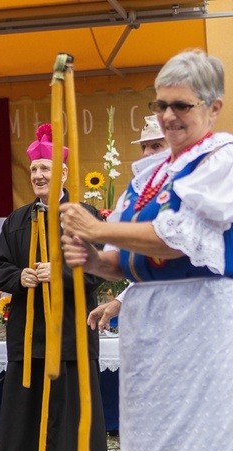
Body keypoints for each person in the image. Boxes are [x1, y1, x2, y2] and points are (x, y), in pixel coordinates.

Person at [58, 49, 233, 451]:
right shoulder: (149, 176)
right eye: (160, 105)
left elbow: (179, 238)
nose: (168, 116)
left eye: (180, 105)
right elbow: (125, 259)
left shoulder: (224, 159)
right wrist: (91, 258)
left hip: (205, 321)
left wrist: (98, 227)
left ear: (213, 107)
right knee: (156, 448)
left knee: (213, 443)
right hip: (152, 331)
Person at [0, 124, 110, 451]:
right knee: (26, 414)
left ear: (63, 172)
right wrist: (19, 276)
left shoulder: (84, 215)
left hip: (71, 332)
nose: (40, 175)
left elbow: (99, 266)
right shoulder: (17, 219)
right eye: (35, 170)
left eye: (46, 168)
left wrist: (60, 274)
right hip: (30, 335)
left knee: (73, 412)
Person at [87, 115, 167, 331]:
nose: (147, 153)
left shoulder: (185, 188)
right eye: (144, 147)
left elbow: (166, 264)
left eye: (156, 145)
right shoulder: (138, 194)